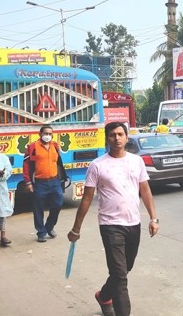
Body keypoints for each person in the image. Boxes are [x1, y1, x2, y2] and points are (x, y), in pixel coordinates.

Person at [68, 122, 159, 316]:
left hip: (133, 223)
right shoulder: (97, 165)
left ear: (126, 137)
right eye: (112, 135)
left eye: (120, 134)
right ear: (106, 138)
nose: (116, 138)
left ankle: (103, 296)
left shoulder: (136, 161)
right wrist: (76, 229)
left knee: (125, 269)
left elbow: (145, 190)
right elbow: (86, 198)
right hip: (110, 225)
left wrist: (153, 218)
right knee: (120, 276)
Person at [23, 125, 67, 242]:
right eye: (45, 133)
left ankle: (49, 227)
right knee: (38, 208)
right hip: (39, 183)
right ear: (40, 134)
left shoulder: (55, 146)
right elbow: (26, 166)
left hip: (54, 181)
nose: (47, 136)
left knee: (58, 204)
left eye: (50, 134)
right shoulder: (32, 147)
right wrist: (28, 182)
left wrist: (62, 178)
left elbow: (58, 163)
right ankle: (41, 232)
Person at [0, 152, 13, 247]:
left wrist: (2, 174)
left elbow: (9, 171)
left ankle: (3, 237)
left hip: (0, 189)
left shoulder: (3, 157)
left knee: (2, 213)